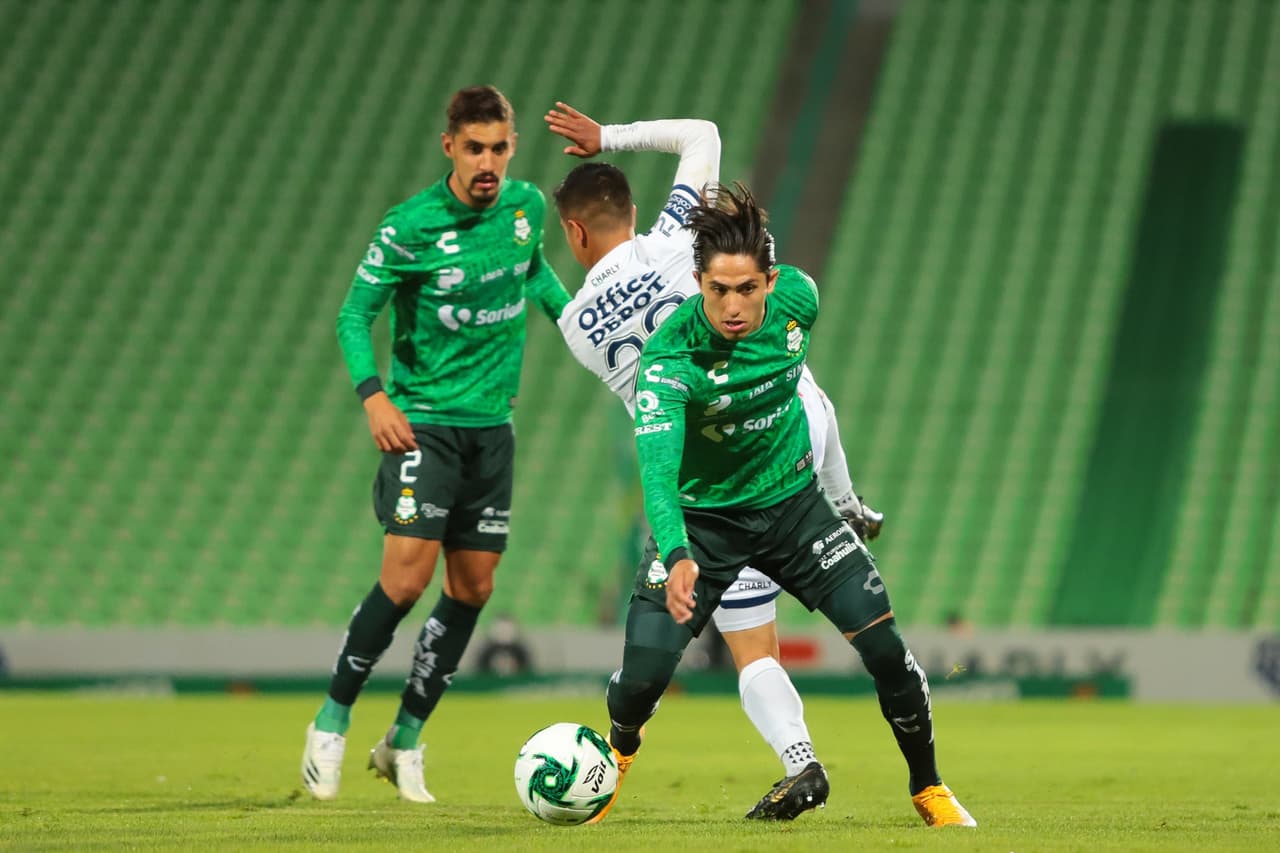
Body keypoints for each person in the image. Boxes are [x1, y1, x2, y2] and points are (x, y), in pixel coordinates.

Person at [588, 182, 977, 828]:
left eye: (748, 289)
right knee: (639, 683)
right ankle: (620, 746)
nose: (734, 306)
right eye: (718, 290)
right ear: (697, 282)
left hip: (795, 510)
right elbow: (657, 474)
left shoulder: (801, 301)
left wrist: (842, 497)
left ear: (771, 280)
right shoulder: (669, 361)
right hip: (705, 523)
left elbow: (819, 404)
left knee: (886, 647)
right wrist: (678, 552)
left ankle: (929, 787)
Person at [544, 103, 882, 820]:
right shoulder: (674, 240)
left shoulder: (577, 325)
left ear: (572, 233)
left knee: (749, 646)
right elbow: (702, 135)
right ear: (633, 211)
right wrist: (606, 137)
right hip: (789, 441)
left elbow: (556, 301)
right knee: (797, 387)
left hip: (711, 483)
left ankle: (635, 746)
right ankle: (801, 759)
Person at [301, 85, 571, 803]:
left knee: (473, 586)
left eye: (500, 148)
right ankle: (331, 720)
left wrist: (578, 323)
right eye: (475, 148)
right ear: (448, 145)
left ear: (513, 147)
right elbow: (354, 315)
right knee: (406, 580)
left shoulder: (525, 208)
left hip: (493, 429)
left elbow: (534, 269)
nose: (488, 162)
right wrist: (374, 395)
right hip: (424, 422)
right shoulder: (410, 225)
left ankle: (405, 740)